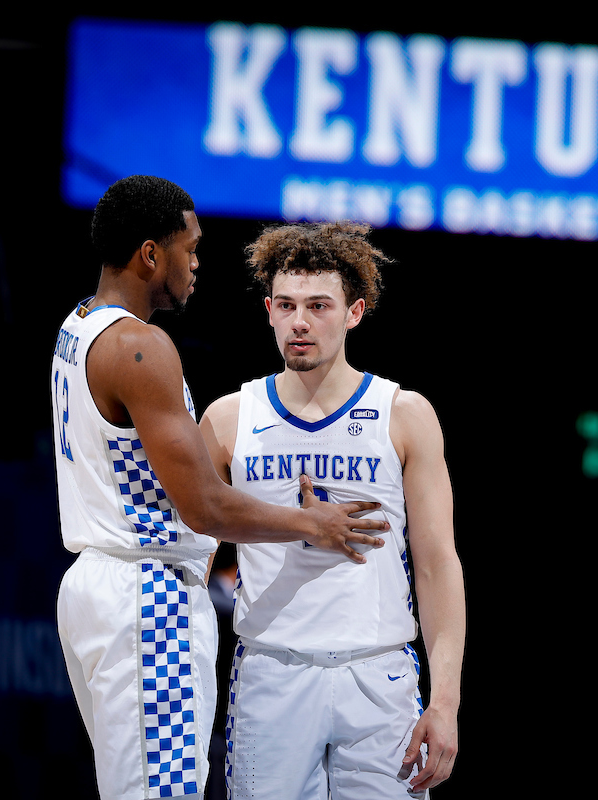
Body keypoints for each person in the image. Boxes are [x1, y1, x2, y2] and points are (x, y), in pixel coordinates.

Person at [52, 176, 389, 800]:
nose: (197, 262)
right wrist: (315, 524)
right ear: (152, 254)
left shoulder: (78, 325)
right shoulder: (138, 346)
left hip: (97, 586)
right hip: (144, 595)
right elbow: (204, 506)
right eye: (191, 247)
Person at [199, 221, 465, 798]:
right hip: (271, 673)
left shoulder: (405, 414)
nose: (300, 321)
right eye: (287, 305)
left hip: (380, 676)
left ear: (355, 313)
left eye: (319, 305)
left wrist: (446, 702)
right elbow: (192, 551)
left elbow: (439, 564)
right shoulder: (227, 419)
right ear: (268, 310)